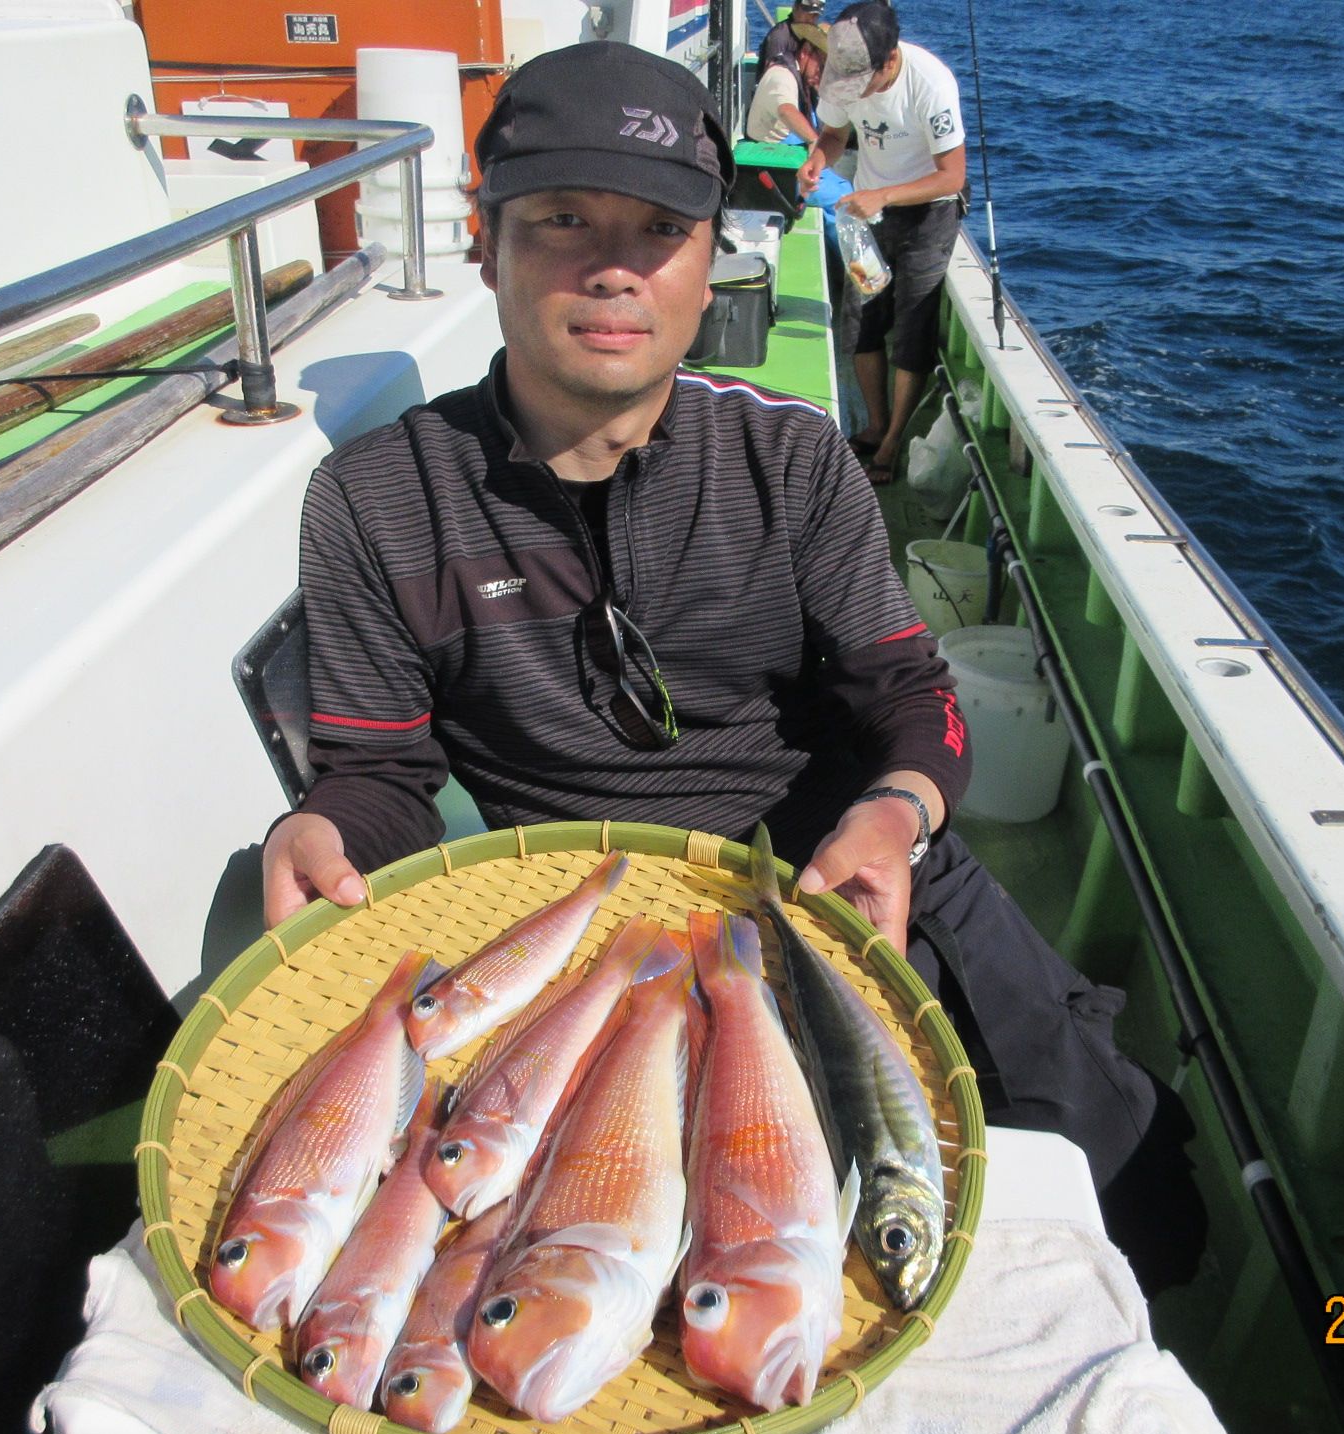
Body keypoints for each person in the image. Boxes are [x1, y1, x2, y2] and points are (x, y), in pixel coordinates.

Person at [260, 41, 1202, 1292]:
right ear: (485, 243)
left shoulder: (793, 463)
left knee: (1136, 1196)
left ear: (711, 266)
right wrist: (326, 827)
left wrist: (894, 814)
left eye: (660, 229)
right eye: (560, 219)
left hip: (836, 881)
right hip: (586, 938)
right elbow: (381, 775)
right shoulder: (375, 500)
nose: (612, 266)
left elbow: (910, 701)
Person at [800, 2, 965, 487]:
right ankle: (874, 424)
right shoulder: (844, 72)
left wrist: (885, 195)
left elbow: (952, 176)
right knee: (861, 320)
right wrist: (817, 161)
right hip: (867, 214)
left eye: (863, 82)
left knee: (912, 328)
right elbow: (834, 134)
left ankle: (892, 440)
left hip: (929, 215)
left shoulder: (931, 83)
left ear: (890, 59)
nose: (855, 92)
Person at [745, 23, 828, 147]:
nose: (823, 75)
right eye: (821, 67)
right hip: (769, 151)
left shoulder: (805, 78)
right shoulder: (781, 75)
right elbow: (786, 111)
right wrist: (814, 141)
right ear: (805, 52)